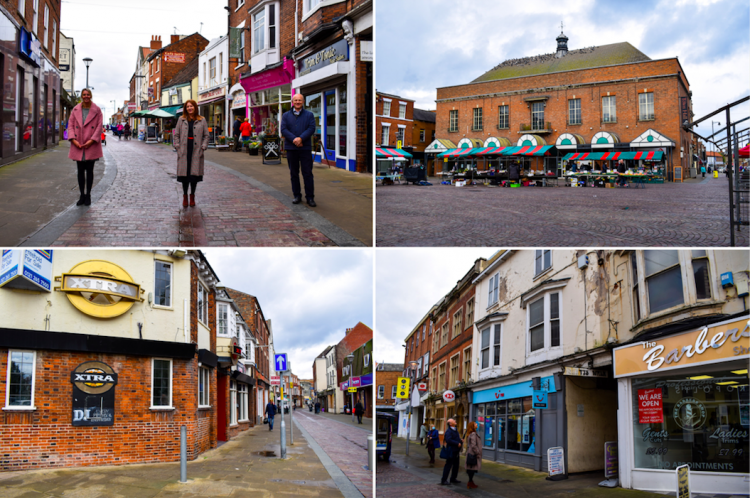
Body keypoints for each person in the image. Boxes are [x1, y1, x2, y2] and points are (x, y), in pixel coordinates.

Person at [67, 88, 103, 206]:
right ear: (81, 96)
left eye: (88, 94)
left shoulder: (97, 110)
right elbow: (71, 125)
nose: (86, 96)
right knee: (80, 172)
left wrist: (92, 140)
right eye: (84, 94)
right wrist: (73, 140)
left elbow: (99, 126)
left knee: (90, 171)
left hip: (90, 144)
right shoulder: (75, 109)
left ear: (91, 95)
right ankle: (82, 195)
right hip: (78, 144)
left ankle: (88, 195)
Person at [280, 93, 317, 207]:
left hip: (305, 148)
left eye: (299, 100)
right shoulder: (286, 115)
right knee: (294, 173)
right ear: (292, 101)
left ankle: (310, 197)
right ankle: (297, 195)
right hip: (291, 148)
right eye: (295, 100)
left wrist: (301, 138)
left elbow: (311, 128)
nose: (297, 102)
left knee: (308, 173)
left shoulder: (309, 115)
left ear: (303, 101)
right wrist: (294, 139)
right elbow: (284, 129)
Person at [173, 100, 209, 208]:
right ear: (185, 108)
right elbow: (176, 135)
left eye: (191, 106)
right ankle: (185, 196)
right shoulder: (181, 119)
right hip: (184, 150)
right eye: (188, 106)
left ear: (195, 107)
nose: (190, 108)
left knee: (194, 175)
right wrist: (177, 147)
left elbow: (206, 135)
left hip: (196, 150)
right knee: (185, 175)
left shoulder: (202, 120)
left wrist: (203, 147)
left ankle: (192, 196)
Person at [440, 418, 463, 486]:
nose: (455, 421)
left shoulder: (455, 430)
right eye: (453, 421)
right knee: (448, 465)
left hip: (456, 451)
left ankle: (453, 478)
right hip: (451, 451)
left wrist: (460, 441)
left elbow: (456, 438)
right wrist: (457, 443)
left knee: (456, 465)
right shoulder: (448, 431)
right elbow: (448, 440)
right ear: (450, 424)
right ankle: (444, 480)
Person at [464, 421, 482, 489]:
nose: (477, 424)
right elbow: (473, 445)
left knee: (471, 469)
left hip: (471, 453)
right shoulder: (473, 434)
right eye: (475, 424)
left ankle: (471, 482)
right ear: (473, 426)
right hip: (473, 454)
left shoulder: (472, 433)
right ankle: (470, 482)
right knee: (471, 469)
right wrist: (478, 452)